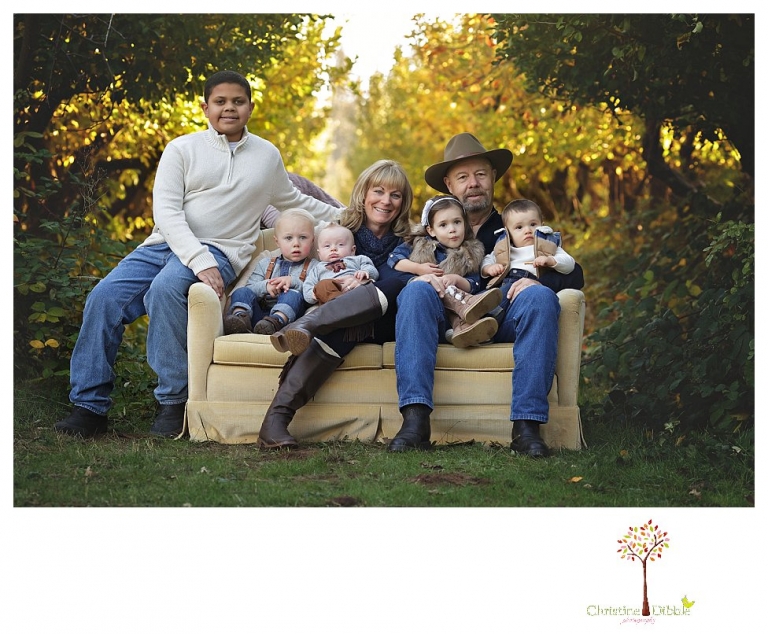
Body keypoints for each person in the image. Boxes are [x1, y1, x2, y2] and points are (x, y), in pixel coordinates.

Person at [54, 70, 341, 439]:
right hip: (165, 244)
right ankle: (89, 407)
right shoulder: (182, 149)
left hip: (222, 249)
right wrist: (198, 261)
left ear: (250, 107)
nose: (229, 108)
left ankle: (173, 403)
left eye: (238, 101)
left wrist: (353, 215)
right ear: (205, 107)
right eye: (220, 102)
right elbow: (167, 213)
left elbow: (293, 200)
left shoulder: (266, 155)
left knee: (166, 289)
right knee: (104, 298)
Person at [389, 132, 583, 457]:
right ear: (449, 185)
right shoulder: (431, 228)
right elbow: (394, 268)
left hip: (502, 314)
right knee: (414, 293)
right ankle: (415, 422)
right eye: (463, 177)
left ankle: (526, 427)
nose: (473, 183)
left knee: (540, 298)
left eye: (480, 174)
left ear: (493, 177)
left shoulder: (516, 223)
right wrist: (421, 278)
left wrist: (540, 282)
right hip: (442, 318)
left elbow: (573, 271)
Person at [258, 159, 414, 449]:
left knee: (398, 280)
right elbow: (312, 281)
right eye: (378, 191)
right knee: (341, 329)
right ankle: (275, 422)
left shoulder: (412, 240)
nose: (386, 201)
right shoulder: (338, 233)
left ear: (403, 202)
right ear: (363, 195)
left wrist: (366, 284)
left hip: (392, 320)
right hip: (346, 320)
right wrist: (338, 285)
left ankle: (308, 325)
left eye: (395, 195)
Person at [387, 194, 501, 348]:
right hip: (429, 308)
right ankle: (472, 312)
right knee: (430, 289)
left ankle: (465, 329)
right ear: (431, 230)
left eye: (457, 222)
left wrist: (456, 279)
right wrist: (419, 269)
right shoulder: (418, 244)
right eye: (443, 225)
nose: (452, 229)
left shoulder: (471, 253)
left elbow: (474, 284)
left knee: (458, 297)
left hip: (453, 312)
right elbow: (394, 259)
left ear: (465, 224)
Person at [223, 208, 318, 336]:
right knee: (242, 291)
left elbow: (312, 296)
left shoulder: (314, 267)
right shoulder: (265, 263)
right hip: (257, 318)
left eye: (303, 237)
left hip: (287, 321)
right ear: (277, 242)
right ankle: (240, 319)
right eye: (289, 238)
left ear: (312, 241)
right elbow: (251, 288)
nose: (296, 243)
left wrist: (293, 282)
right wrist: (266, 286)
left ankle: (275, 320)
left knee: (293, 294)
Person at [481, 198, 576, 317]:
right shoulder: (504, 249)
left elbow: (570, 264)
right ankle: (471, 321)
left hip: (530, 287)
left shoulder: (548, 246)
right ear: (508, 233)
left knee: (495, 301)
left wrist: (551, 261)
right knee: (487, 297)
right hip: (506, 283)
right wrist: (489, 268)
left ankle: (483, 318)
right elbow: (487, 260)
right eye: (519, 227)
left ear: (542, 225)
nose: (527, 230)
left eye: (533, 224)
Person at [301, 223, 378, 307]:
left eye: (340, 244)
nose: (333, 249)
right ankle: (338, 304)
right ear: (319, 253)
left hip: (355, 290)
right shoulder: (317, 268)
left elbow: (373, 271)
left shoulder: (358, 259)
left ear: (352, 250)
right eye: (327, 246)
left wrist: (365, 272)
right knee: (323, 285)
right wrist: (314, 294)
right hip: (329, 296)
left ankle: (342, 305)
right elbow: (307, 286)